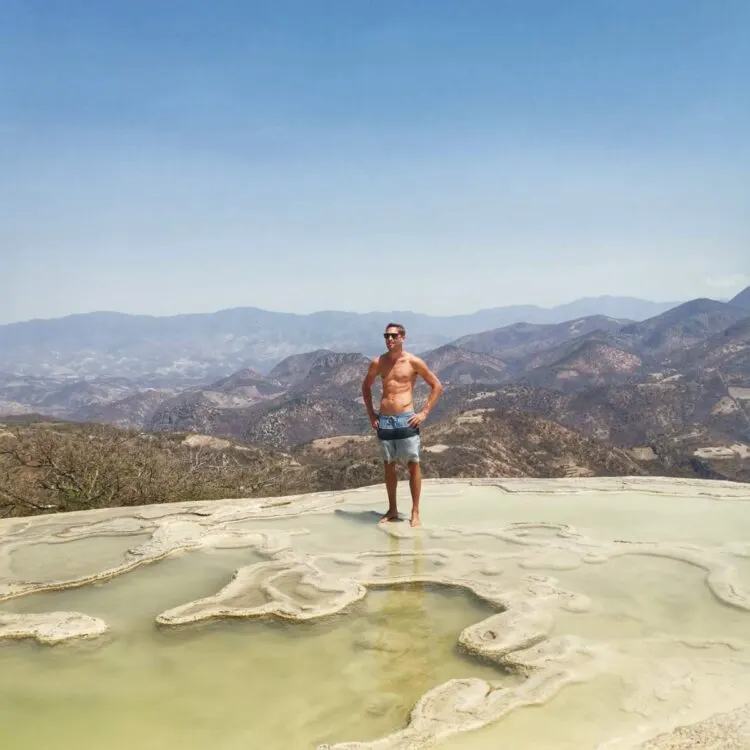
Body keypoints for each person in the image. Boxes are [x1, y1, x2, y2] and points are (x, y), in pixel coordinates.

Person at [361, 323, 443, 527]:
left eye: (393, 336)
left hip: (406, 419)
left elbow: (437, 386)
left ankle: (415, 511)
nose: (389, 339)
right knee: (388, 466)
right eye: (386, 336)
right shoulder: (378, 362)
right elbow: (366, 386)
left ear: (402, 337)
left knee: (413, 465)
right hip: (385, 421)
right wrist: (371, 413)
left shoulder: (413, 362)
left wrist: (424, 413)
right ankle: (393, 509)